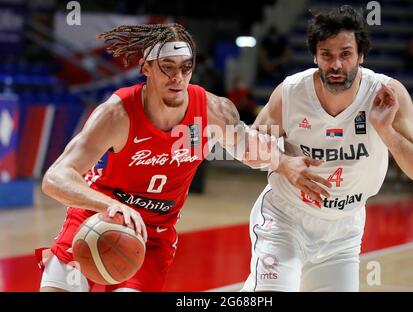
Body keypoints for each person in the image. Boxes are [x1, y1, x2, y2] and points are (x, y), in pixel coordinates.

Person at [36, 23, 291, 292]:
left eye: (186, 67)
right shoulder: (116, 115)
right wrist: (109, 205)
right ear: (146, 67)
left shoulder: (213, 110)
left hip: (152, 238)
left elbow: (251, 151)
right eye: (167, 66)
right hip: (95, 221)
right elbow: (55, 178)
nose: (177, 77)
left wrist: (290, 161)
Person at [242, 5, 413, 292]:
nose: (336, 65)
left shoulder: (386, 94)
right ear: (315, 56)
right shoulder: (291, 92)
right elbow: (248, 149)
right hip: (285, 219)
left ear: (361, 55)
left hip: (343, 232)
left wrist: (386, 131)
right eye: (327, 55)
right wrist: (282, 162)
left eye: (345, 54)